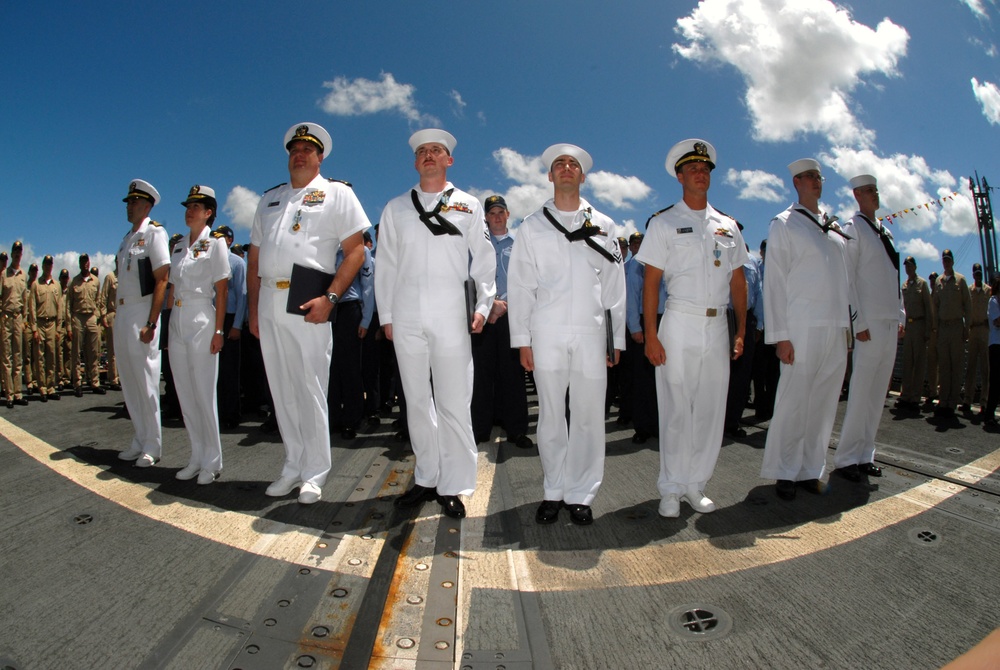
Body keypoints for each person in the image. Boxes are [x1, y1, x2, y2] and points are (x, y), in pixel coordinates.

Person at [376, 128, 496, 520]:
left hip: (451, 313)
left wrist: (483, 304)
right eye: (422, 151)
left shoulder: (468, 204)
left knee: (454, 402)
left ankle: (454, 484)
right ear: (415, 162)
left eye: (437, 151)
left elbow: (483, 258)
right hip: (407, 313)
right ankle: (427, 477)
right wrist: (387, 315)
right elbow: (386, 265)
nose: (429, 155)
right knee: (415, 400)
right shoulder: (395, 207)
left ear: (449, 160)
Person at [248, 122, 371, 505]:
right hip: (269, 299)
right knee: (281, 389)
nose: (299, 155)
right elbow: (254, 257)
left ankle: (315, 472)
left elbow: (356, 251)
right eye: (294, 149)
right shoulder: (269, 199)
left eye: (307, 149)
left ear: (320, 157)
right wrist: (252, 310)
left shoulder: (337, 194)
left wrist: (331, 298)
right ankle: (293, 464)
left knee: (310, 387)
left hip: (308, 301)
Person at [508, 143, 626, 526]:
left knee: (590, 415)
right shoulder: (532, 225)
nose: (566, 168)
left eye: (573, 164)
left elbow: (615, 287)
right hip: (546, 329)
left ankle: (582, 493)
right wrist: (522, 340)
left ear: (583, 176)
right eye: (559, 164)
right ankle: (553, 490)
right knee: (552, 415)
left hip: (592, 332)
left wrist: (616, 340)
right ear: (550, 175)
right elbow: (522, 285)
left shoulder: (605, 224)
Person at [636, 139, 748, 517]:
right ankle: (670, 487)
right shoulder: (664, 222)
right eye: (694, 169)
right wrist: (651, 333)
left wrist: (741, 330)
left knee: (710, 409)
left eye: (706, 169)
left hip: (718, 325)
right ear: (680, 176)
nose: (701, 174)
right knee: (676, 408)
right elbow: (651, 282)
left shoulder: (728, 225)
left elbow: (738, 282)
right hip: (679, 321)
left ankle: (695, 484)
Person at [760, 159, 854, 501]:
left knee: (824, 402)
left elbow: (846, 280)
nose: (817, 181)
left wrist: (849, 325)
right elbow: (774, 283)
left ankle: (810, 470)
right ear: (797, 182)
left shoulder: (834, 228)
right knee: (794, 402)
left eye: (819, 177)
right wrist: (780, 336)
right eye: (810, 177)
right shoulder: (785, 223)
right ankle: (785, 471)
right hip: (801, 325)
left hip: (835, 325)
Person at [832, 174, 903, 482]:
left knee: (877, 394)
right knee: (861, 391)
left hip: (888, 321)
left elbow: (892, 278)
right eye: (870, 191)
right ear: (858, 194)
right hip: (870, 322)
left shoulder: (884, 231)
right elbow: (847, 278)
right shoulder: (854, 229)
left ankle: (865, 454)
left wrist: (900, 314)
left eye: (876, 190)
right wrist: (857, 321)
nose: (876, 195)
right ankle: (847, 458)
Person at [168, 186, 230, 484]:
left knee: (204, 393)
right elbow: (171, 288)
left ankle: (213, 461)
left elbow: (222, 289)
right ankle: (196, 456)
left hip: (202, 316)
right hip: (179, 317)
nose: (189, 210)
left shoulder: (215, 243)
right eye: (188, 205)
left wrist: (219, 330)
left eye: (197, 206)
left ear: (208, 213)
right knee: (185, 392)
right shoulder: (178, 245)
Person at [115, 179, 171, 467]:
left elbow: (162, 277)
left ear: (147, 205)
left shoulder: (154, 233)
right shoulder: (127, 239)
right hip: (123, 313)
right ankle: (139, 437)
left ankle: (153, 444)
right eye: (128, 202)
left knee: (146, 380)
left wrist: (152, 321)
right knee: (128, 379)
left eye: (134, 202)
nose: (129, 206)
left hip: (142, 312)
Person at [471, 194, 532, 449]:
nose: (496, 216)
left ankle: (516, 429)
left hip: (511, 314)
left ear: (508, 215)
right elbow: (469, 278)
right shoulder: (473, 246)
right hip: (481, 315)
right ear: (485, 217)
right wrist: (489, 304)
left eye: (501, 212)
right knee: (480, 374)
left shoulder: (520, 245)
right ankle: (479, 428)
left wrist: (503, 305)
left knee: (512, 374)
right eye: (491, 212)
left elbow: (527, 280)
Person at [625, 231, 666, 444]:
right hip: (644, 320)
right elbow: (631, 297)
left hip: (667, 321)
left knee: (663, 377)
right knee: (642, 378)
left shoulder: (668, 257)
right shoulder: (637, 264)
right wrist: (634, 327)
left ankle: (661, 424)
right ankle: (642, 426)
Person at [213, 224, 246, 430]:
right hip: (213, 318)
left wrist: (237, 325)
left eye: (221, 238)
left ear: (229, 241)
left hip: (230, 317)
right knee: (213, 370)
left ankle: (232, 414)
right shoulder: (209, 262)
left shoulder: (237, 262)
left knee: (229, 371)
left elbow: (242, 295)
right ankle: (215, 412)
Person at [933, 249, 971, 418]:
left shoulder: (961, 281)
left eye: (948, 260)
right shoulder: (939, 282)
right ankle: (943, 400)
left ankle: (952, 402)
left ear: (953, 262)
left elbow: (968, 306)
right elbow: (935, 306)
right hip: (943, 328)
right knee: (944, 366)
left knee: (955, 366)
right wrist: (935, 328)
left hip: (956, 327)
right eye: (944, 260)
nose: (946, 262)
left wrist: (966, 328)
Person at [897, 256, 934, 410]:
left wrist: (928, 331)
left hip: (919, 325)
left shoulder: (923, 284)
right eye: (906, 266)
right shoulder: (904, 286)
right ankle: (905, 394)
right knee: (907, 362)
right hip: (908, 327)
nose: (908, 268)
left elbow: (929, 309)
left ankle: (915, 397)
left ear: (915, 267)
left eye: (910, 265)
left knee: (918, 363)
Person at [67, 254, 104, 396]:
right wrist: (69, 325)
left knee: (94, 351)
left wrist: (97, 316)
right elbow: (68, 304)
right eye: (82, 262)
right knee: (76, 352)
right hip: (78, 316)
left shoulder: (95, 281)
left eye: (86, 261)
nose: (85, 264)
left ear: (89, 263)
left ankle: (95, 382)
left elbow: (99, 300)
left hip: (91, 317)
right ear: (79, 264)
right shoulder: (74, 282)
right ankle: (77, 383)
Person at [27, 255, 61, 401]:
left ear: (52, 266)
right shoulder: (36, 284)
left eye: (50, 264)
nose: (48, 266)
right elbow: (32, 308)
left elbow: (60, 308)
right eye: (46, 264)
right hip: (40, 324)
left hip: (52, 324)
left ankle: (51, 387)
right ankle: (42, 389)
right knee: (39, 357)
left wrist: (59, 328)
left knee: (51, 357)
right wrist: (34, 328)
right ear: (42, 266)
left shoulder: (56, 285)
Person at [2, 241, 28, 407]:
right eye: (15, 252)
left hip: (18, 318)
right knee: (7, 358)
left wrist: (24, 319)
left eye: (20, 252)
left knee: (18, 356)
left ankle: (18, 393)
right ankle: (9, 395)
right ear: (11, 254)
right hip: (5, 317)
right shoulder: (3, 274)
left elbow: (25, 299)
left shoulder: (23, 275)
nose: (17, 254)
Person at [962, 263, 990, 412]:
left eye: (980, 274)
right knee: (971, 368)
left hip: (985, 331)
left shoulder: (988, 291)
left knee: (985, 369)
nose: (978, 276)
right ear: (973, 275)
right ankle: (967, 399)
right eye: (976, 274)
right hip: (973, 330)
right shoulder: (969, 291)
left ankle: (984, 402)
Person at [981, 275, 1000, 427]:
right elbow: (997, 321)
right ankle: (989, 415)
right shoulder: (993, 301)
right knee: (995, 381)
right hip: (995, 345)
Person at [100, 264, 120, 390]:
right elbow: (103, 298)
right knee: (112, 349)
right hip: (112, 313)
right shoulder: (110, 277)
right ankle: (113, 379)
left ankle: (122, 376)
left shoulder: (125, 276)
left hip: (123, 313)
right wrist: (103, 316)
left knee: (122, 349)